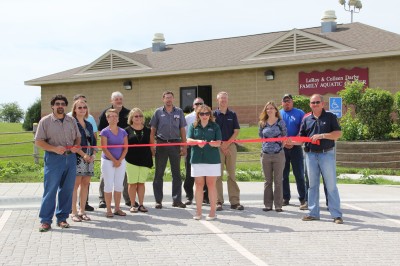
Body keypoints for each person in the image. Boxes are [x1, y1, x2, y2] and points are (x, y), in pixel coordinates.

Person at [35, 95, 81, 232]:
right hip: (53, 159)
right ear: (52, 106)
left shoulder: (71, 120)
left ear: (65, 106)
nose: (60, 106)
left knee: (67, 190)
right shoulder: (45, 121)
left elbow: (78, 137)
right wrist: (54, 148)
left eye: (62, 104)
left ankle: (62, 218)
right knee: (50, 190)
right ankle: (45, 221)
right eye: (57, 104)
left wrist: (76, 146)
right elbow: (38, 141)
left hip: (70, 158)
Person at [298, 94, 343, 224]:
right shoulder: (306, 119)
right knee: (312, 186)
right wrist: (290, 141)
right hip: (310, 155)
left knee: (331, 185)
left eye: (318, 102)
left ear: (323, 104)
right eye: (313, 103)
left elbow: (338, 134)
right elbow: (302, 138)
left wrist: (322, 135)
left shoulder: (330, 116)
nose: (315, 104)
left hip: (326, 154)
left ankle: (336, 215)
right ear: (310, 105)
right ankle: (313, 213)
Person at [149, 91, 187, 209]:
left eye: (170, 98)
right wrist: (152, 146)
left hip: (175, 144)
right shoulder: (158, 112)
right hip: (161, 144)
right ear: (163, 99)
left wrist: (184, 145)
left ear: (173, 99)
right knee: (159, 173)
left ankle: (176, 200)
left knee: (176, 174)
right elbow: (152, 130)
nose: (169, 100)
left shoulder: (179, 112)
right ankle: (158, 201)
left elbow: (182, 129)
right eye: (167, 98)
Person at [187, 105, 222, 220]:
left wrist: (214, 143)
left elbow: (219, 142)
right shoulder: (193, 126)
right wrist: (197, 141)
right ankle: (198, 211)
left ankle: (212, 212)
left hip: (212, 160)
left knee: (211, 184)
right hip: (197, 159)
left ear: (210, 115)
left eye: (207, 113)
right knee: (198, 184)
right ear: (198, 115)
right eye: (202, 114)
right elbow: (188, 140)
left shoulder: (215, 126)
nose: (204, 116)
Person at [98, 91, 131, 208]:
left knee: (122, 178)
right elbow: (100, 132)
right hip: (108, 156)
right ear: (111, 101)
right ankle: (103, 200)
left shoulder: (128, 113)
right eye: (116, 99)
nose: (118, 101)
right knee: (105, 178)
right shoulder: (105, 114)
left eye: (120, 99)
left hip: (123, 151)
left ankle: (127, 199)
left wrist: (120, 158)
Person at [67, 94, 98, 212]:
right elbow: (72, 142)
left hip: (89, 157)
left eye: (84, 107)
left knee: (86, 184)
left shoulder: (89, 124)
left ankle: (82, 211)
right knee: (76, 185)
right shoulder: (71, 123)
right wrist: (83, 154)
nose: (82, 110)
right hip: (77, 157)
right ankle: (74, 211)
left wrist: (93, 155)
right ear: (74, 109)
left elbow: (94, 141)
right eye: (79, 107)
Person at [213, 91, 243, 211]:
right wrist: (221, 145)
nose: (224, 100)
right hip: (217, 146)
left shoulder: (232, 114)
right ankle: (218, 201)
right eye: (221, 99)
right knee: (217, 176)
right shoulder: (213, 114)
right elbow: (212, 131)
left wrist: (227, 144)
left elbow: (236, 131)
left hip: (230, 146)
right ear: (218, 100)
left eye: (225, 98)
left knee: (232, 174)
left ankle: (235, 201)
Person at [279, 94, 307, 210]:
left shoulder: (300, 113)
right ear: (282, 103)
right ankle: (285, 198)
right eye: (285, 101)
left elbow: (303, 129)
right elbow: (276, 129)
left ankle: (303, 199)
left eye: (289, 101)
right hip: (283, 147)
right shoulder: (279, 113)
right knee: (283, 175)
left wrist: (294, 141)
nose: (287, 103)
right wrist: (284, 142)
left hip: (296, 147)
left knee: (299, 174)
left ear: (292, 102)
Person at [259, 101, 287, 212]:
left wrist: (280, 147)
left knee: (278, 180)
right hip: (265, 155)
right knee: (267, 181)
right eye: (267, 108)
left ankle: (278, 205)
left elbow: (285, 136)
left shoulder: (281, 122)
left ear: (276, 110)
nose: (269, 110)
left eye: (272, 108)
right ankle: (268, 204)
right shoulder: (262, 123)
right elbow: (261, 137)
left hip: (278, 155)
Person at [100, 109, 128, 218]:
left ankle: (117, 208)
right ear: (107, 119)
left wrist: (119, 160)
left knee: (119, 185)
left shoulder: (123, 132)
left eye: (115, 116)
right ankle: (108, 209)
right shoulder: (104, 132)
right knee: (108, 185)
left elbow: (125, 148)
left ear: (118, 118)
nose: (113, 118)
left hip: (121, 162)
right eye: (110, 116)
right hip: (107, 162)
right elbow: (105, 149)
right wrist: (114, 161)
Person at [125, 108, 153, 213]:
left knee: (141, 183)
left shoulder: (148, 130)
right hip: (131, 160)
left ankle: (141, 204)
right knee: (132, 183)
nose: (138, 118)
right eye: (136, 116)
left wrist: (152, 156)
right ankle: (132, 205)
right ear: (131, 118)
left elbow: (151, 144)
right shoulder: (126, 130)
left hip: (145, 159)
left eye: (140, 116)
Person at [184, 97, 205, 205]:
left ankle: (205, 197)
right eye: (196, 104)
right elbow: (185, 134)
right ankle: (189, 196)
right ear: (193, 106)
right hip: (191, 148)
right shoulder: (188, 118)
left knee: (205, 172)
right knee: (189, 173)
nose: (198, 105)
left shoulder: (207, 116)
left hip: (205, 149)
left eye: (201, 103)